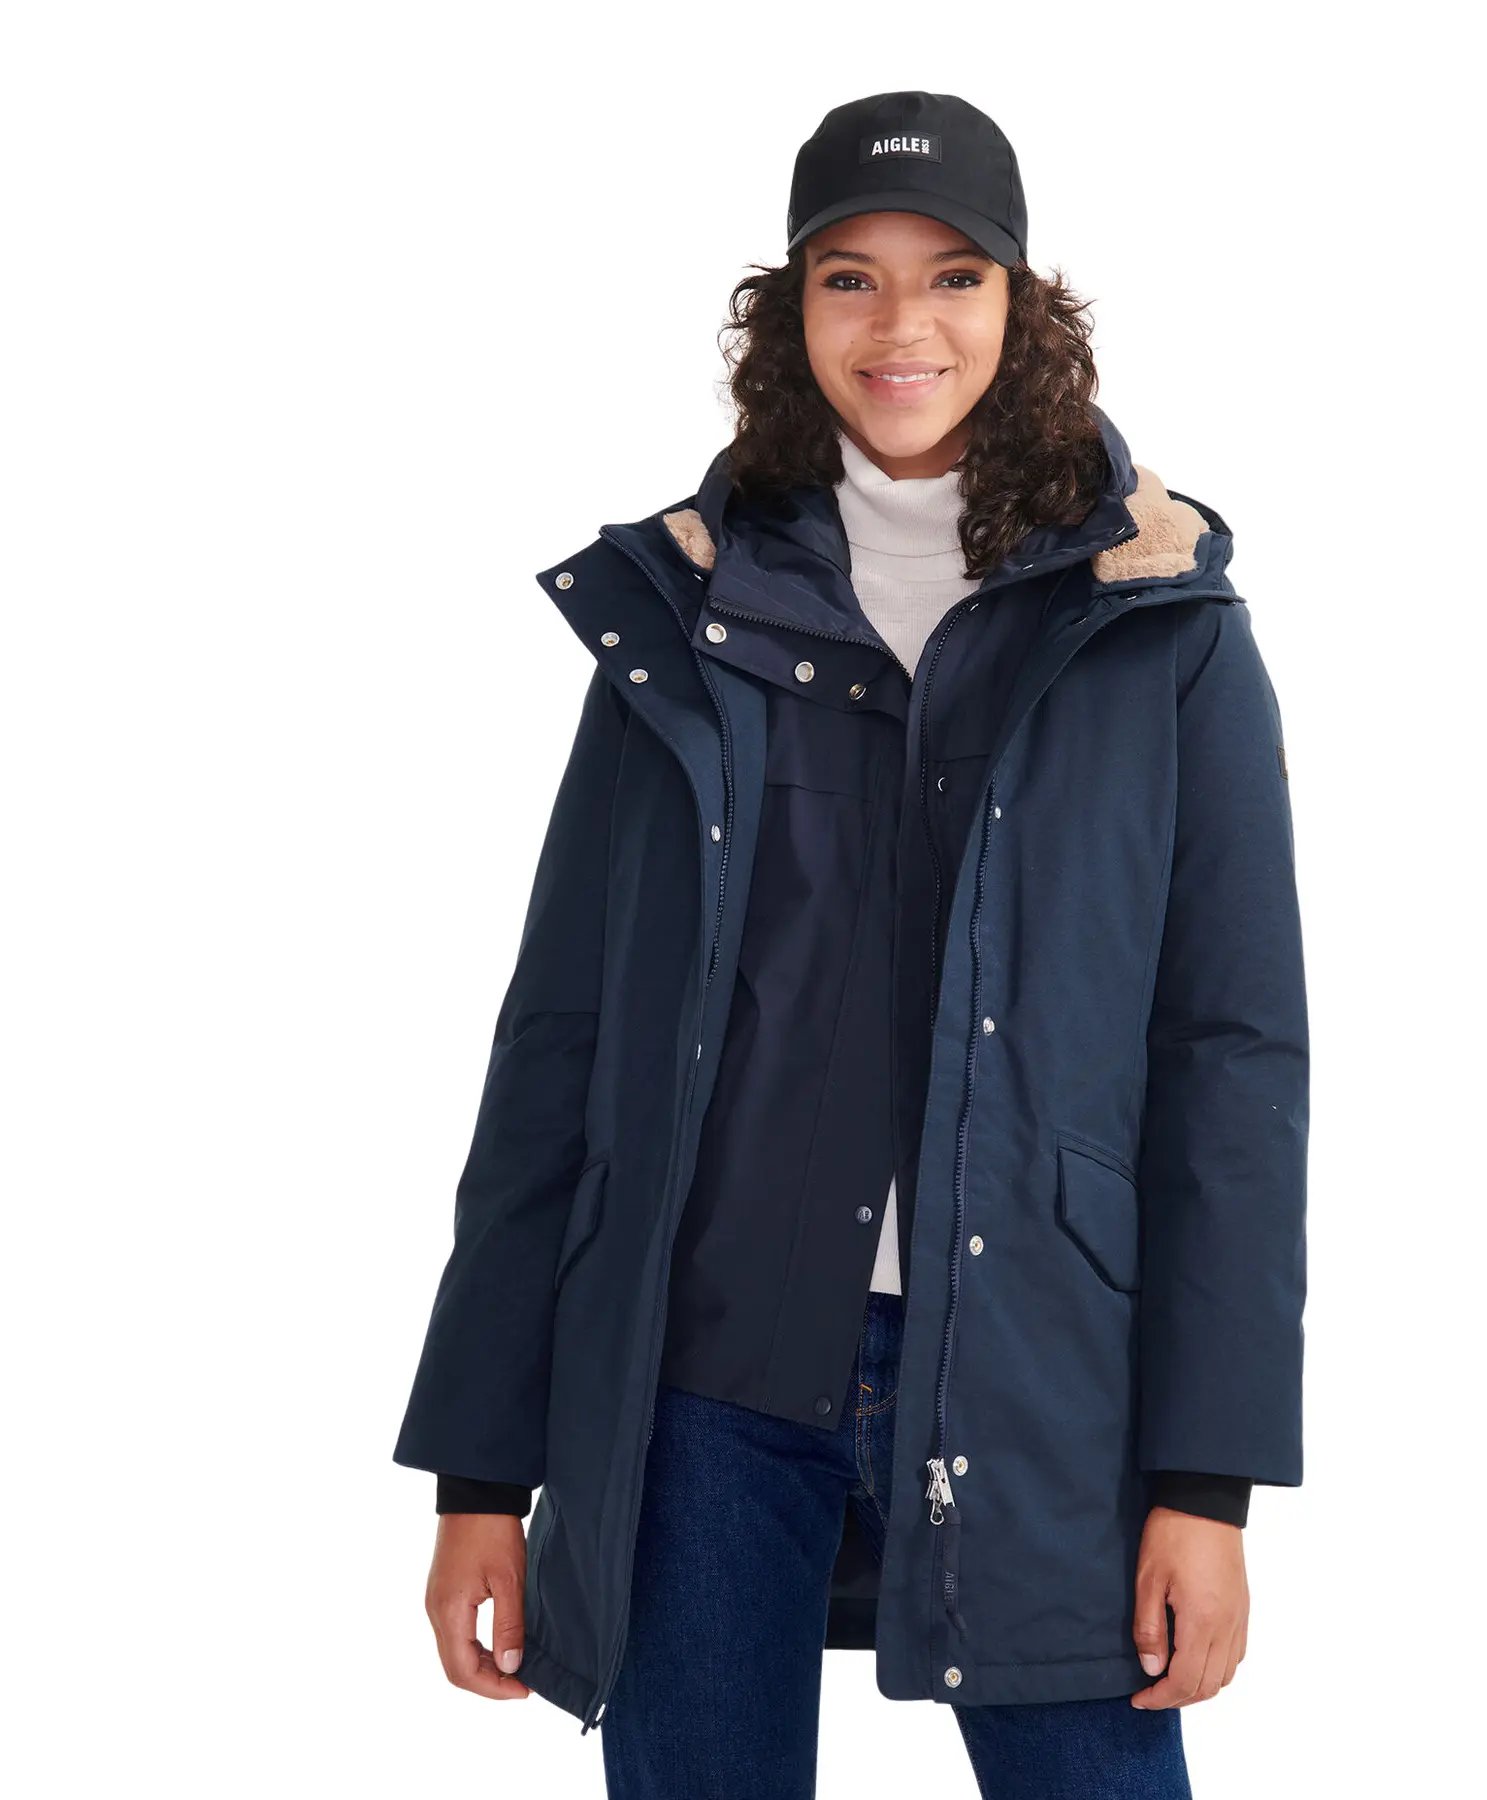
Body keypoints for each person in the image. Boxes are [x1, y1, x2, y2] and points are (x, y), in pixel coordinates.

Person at [394, 90, 1309, 1800]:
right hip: (702, 1381)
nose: (904, 326)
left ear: (1023, 307)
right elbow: (561, 1044)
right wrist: (478, 1475)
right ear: (789, 310)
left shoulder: (1157, 624)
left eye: (954, 276)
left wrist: (1211, 1483)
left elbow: (1234, 1069)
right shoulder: (682, 620)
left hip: (1046, 1376)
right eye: (850, 278)